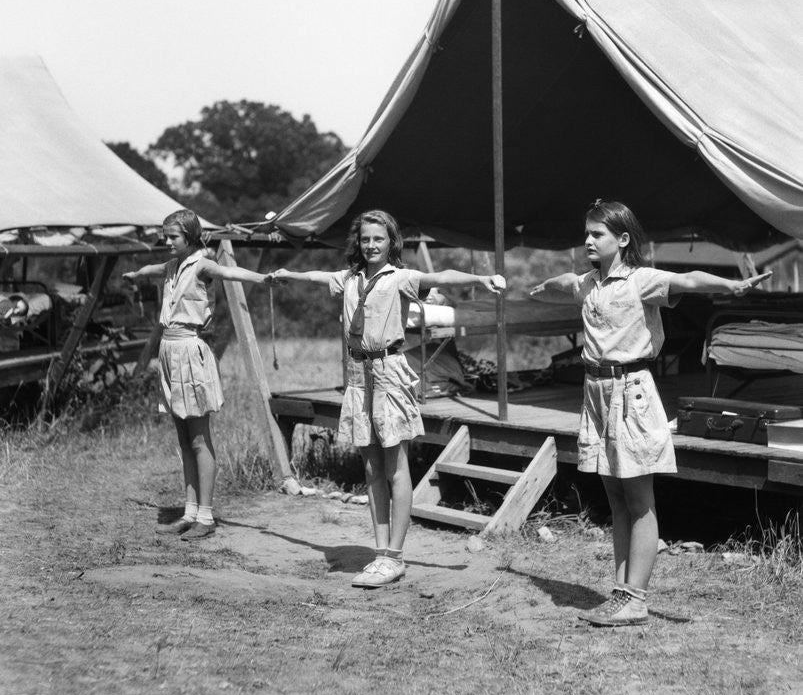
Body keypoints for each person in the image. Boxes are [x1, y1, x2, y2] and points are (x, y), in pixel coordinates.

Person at [530, 199, 770, 627]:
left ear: (622, 239)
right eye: (586, 233)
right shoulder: (588, 283)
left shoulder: (642, 281)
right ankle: (621, 592)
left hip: (631, 392)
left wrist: (730, 287)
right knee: (616, 499)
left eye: (596, 234)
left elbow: (688, 279)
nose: (587, 240)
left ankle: (635, 598)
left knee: (639, 500)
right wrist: (537, 289)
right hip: (596, 392)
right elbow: (561, 282)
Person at [270, 209, 506, 588]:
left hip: (389, 373)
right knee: (370, 468)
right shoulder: (349, 278)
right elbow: (316, 277)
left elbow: (440, 276)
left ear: (391, 242)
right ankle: (380, 553)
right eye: (365, 239)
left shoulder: (401, 278)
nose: (371, 245)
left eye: (378, 239)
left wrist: (481, 277)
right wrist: (286, 275)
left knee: (395, 466)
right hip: (357, 375)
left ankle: (394, 555)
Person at [123, 209, 272, 541]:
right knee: (182, 437)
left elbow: (231, 272)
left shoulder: (202, 263)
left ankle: (205, 516)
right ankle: (189, 512)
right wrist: (135, 275)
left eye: (173, 237)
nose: (167, 242)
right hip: (169, 351)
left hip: (191, 351)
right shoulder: (172, 266)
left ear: (189, 236)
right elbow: (152, 269)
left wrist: (264, 278)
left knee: (199, 438)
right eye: (165, 236)